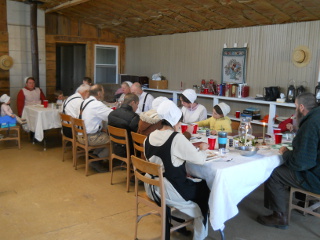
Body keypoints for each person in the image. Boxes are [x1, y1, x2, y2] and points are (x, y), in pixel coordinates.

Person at [144, 100, 210, 240]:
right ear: (176, 122)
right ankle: (200, 234)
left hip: (151, 187)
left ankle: (177, 219)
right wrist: (203, 149)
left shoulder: (149, 137)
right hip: (169, 191)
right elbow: (200, 160)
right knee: (205, 189)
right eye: (180, 122)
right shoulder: (176, 138)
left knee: (192, 181)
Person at [257, 93, 320, 229]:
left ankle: (278, 217)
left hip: (317, 178)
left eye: (296, 106)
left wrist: (286, 153)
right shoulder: (316, 117)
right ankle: (306, 202)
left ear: (301, 107)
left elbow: (301, 162)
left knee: (275, 172)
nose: (295, 110)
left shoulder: (311, 123)